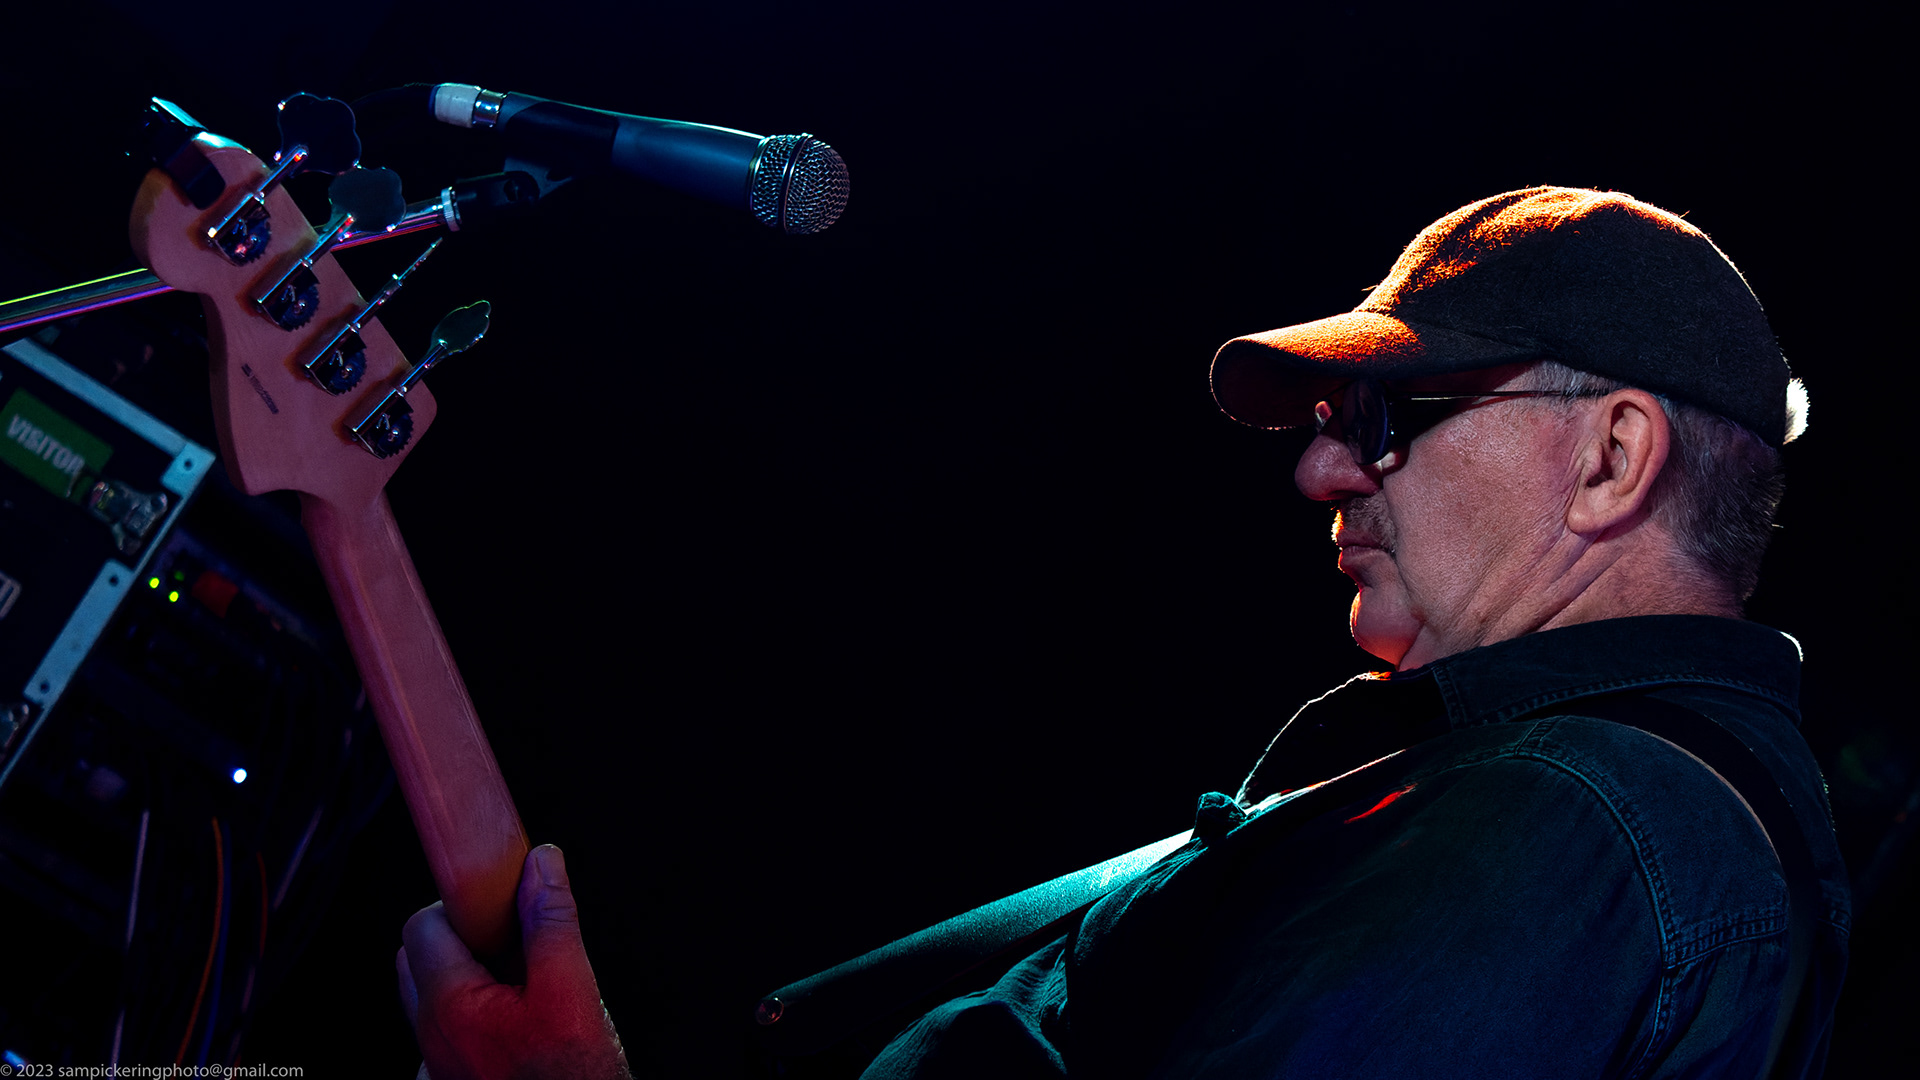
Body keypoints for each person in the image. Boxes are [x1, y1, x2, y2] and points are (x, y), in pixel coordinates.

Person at [396, 186, 1849, 1078]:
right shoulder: (1610, 815)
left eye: (1382, 415)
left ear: (1610, 459)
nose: (1320, 470)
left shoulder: (1562, 820)